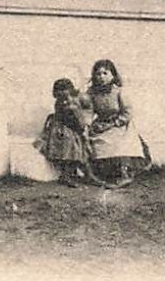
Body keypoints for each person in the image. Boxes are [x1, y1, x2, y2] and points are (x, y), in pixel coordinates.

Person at [84, 58, 151, 189]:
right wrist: (87, 126)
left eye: (105, 73)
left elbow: (128, 112)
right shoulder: (91, 93)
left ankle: (124, 173)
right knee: (95, 144)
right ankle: (102, 175)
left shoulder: (118, 91)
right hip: (102, 124)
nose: (101, 77)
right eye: (98, 74)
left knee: (119, 143)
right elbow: (88, 111)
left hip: (119, 124)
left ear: (113, 75)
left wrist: (114, 123)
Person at [35, 78, 102, 187]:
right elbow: (67, 118)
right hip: (62, 128)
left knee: (79, 147)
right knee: (68, 147)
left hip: (74, 126)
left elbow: (81, 118)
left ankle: (86, 174)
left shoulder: (76, 101)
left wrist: (83, 127)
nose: (65, 99)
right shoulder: (63, 104)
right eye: (60, 96)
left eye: (66, 95)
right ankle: (67, 175)